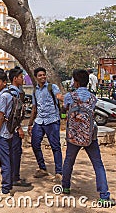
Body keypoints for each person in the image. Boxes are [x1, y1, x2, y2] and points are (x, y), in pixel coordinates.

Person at [62, 69, 115, 207]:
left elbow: (65, 108)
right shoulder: (93, 97)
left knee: (69, 161)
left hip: (73, 136)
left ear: (77, 82)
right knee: (98, 164)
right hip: (90, 136)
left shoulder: (70, 96)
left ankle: (65, 186)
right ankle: (104, 196)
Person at [28, 67, 63, 182]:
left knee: (55, 146)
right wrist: (30, 124)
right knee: (35, 143)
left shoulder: (52, 87)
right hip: (39, 121)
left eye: (44, 75)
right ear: (36, 77)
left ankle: (59, 172)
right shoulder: (35, 91)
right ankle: (42, 168)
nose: (42, 77)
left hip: (52, 120)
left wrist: (63, 99)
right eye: (40, 75)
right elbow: (34, 108)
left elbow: (59, 96)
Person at [8, 68, 32, 187]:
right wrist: (19, 128)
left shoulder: (13, 91)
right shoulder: (14, 93)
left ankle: (13, 176)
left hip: (10, 128)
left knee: (14, 152)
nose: (23, 79)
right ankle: (14, 178)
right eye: (21, 77)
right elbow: (14, 114)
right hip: (13, 128)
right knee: (15, 152)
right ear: (15, 79)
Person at [0, 70, 14, 196]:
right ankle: (8, 184)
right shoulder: (9, 94)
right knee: (7, 160)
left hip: (2, 133)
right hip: (8, 132)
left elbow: (0, 116)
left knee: (4, 161)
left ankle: (5, 188)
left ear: (4, 83)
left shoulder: (4, 96)